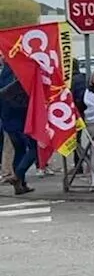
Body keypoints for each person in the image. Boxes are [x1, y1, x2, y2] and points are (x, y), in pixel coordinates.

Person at [0, 55, 36, 195]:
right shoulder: (21, 78)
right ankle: (18, 176)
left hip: (8, 120)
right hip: (24, 119)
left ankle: (21, 185)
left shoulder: (3, 78)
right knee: (35, 149)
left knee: (19, 150)